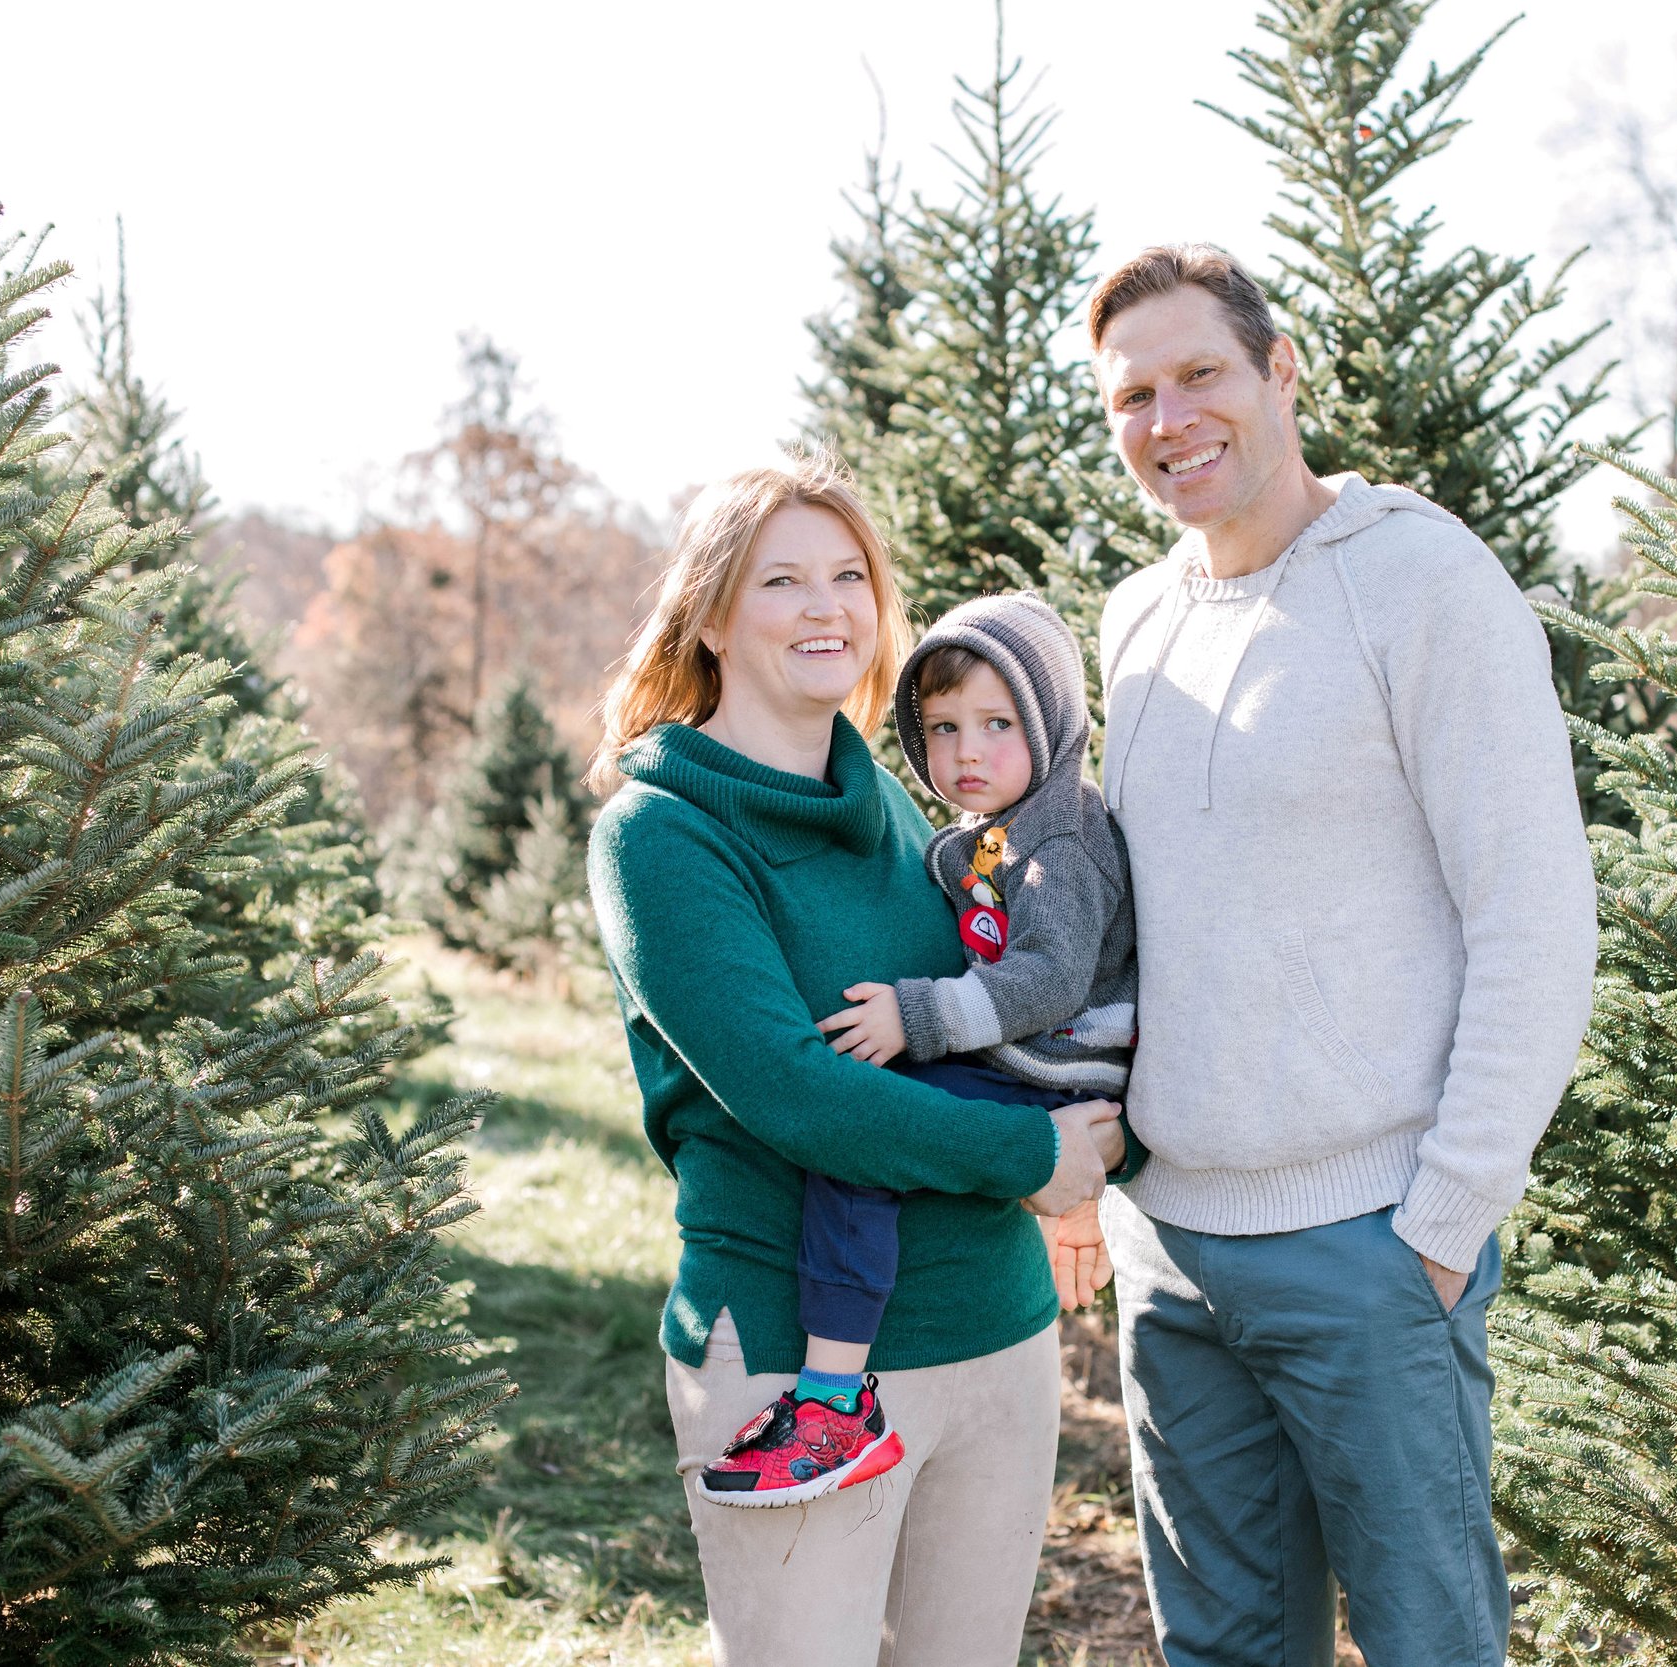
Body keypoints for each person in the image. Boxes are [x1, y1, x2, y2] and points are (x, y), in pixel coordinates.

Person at [1084, 244, 1600, 1666]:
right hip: (1172, 1248)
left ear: (1280, 369)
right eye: (1133, 394)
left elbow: (1537, 914)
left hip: (1368, 1245)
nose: (1169, 418)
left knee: (1432, 1642)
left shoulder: (1421, 579)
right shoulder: (1134, 622)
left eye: (1200, 374)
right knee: (1226, 1652)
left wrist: (1443, 1219)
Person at [584, 455, 1122, 1664]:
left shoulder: (893, 796)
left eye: (849, 576)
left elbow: (1010, 1004)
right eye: (783, 579)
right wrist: (1034, 1150)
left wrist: (1103, 1121)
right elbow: (796, 1093)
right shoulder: (659, 835)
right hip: (793, 1359)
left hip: (998, 1331)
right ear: (713, 617)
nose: (827, 606)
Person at [703, 591, 1140, 1502]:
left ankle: (830, 1401)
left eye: (997, 723)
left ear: (1054, 725)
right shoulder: (987, 836)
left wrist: (918, 1015)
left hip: (1057, 1066)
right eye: (942, 728)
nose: (966, 752)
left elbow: (1051, 977)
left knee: (864, 1154)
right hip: (1034, 1072)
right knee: (877, 1124)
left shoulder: (1061, 836)